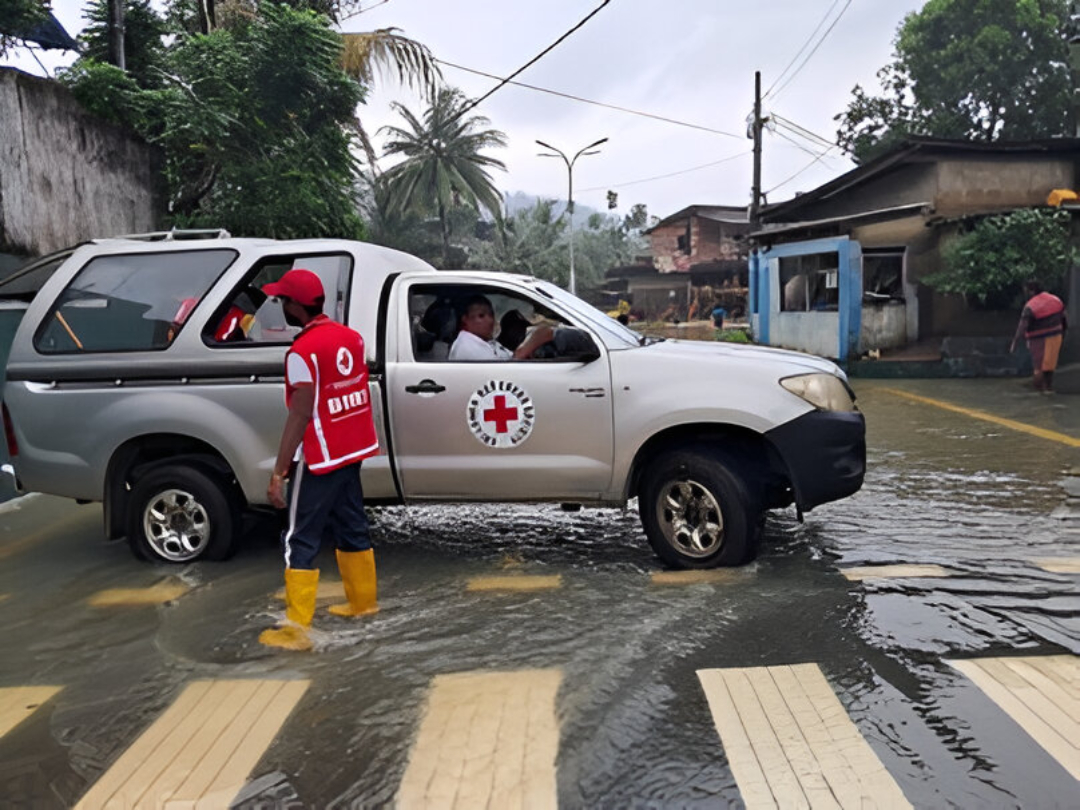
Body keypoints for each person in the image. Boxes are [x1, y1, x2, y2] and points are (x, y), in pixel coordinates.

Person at [258, 269, 381, 652]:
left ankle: (296, 631)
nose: (280, 307)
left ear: (295, 305)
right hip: (353, 449)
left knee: (300, 538)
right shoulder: (351, 338)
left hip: (322, 456)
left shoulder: (301, 352)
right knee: (352, 524)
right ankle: (363, 605)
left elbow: (300, 414)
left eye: (282, 301)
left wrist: (280, 471)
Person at [448, 294, 554, 361]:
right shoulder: (468, 346)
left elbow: (510, 358)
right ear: (465, 319)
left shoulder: (487, 342)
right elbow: (503, 373)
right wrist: (533, 342)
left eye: (491, 315)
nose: (489, 320)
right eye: (481, 316)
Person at [1010, 281, 1068, 393]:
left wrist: (1015, 342)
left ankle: (1039, 392)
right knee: (1050, 367)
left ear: (1030, 290)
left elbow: (1022, 326)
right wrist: (1063, 333)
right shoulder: (1056, 300)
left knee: (1039, 368)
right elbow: (1064, 318)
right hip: (1056, 335)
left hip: (1038, 339)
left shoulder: (1030, 306)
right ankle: (1049, 389)